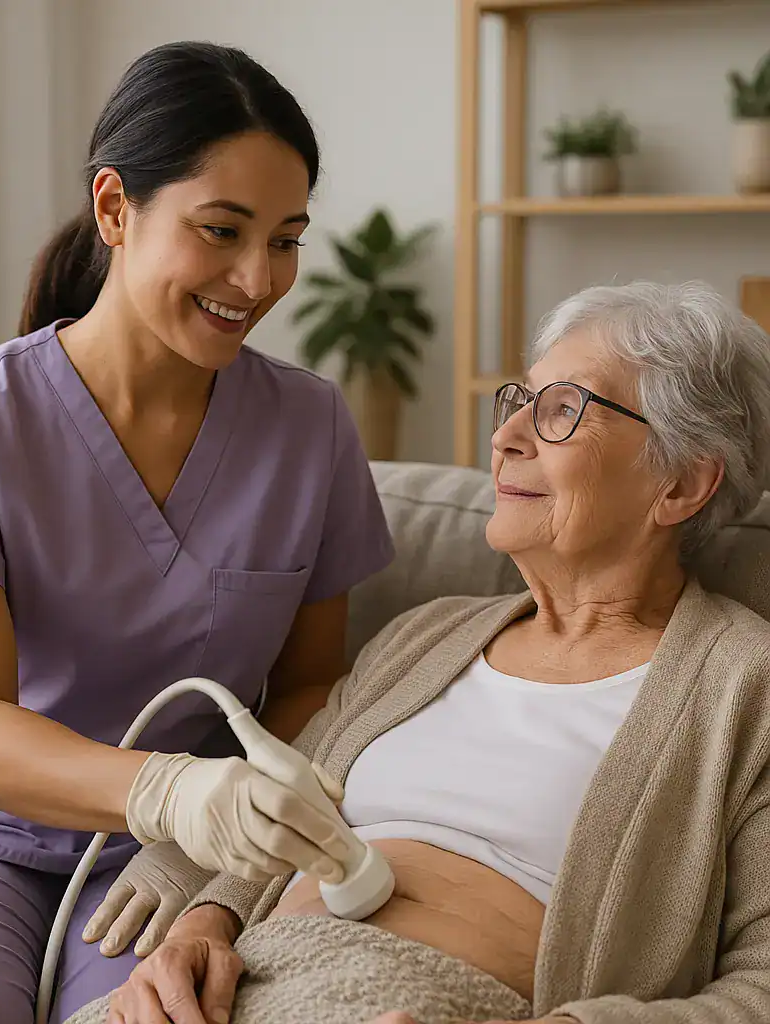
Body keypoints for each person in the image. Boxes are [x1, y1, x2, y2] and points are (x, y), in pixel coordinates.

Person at [0, 41, 395, 1024]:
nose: (257, 278)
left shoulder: (310, 428)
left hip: (162, 865)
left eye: (285, 239)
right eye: (222, 230)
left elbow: (314, 682)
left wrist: (202, 848)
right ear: (113, 210)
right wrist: (170, 791)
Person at [82, 281, 770, 1024]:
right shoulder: (423, 636)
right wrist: (201, 930)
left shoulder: (743, 687)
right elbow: (285, 813)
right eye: (520, 402)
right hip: (246, 987)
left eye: (564, 411)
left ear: (682, 483)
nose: (507, 437)